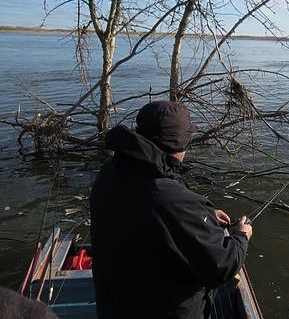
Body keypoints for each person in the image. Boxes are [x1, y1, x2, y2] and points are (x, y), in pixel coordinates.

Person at [89, 100, 252, 319]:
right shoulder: (169, 197)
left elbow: (147, 217)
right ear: (180, 144)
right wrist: (241, 236)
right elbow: (220, 266)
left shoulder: (110, 171)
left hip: (115, 306)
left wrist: (200, 216)